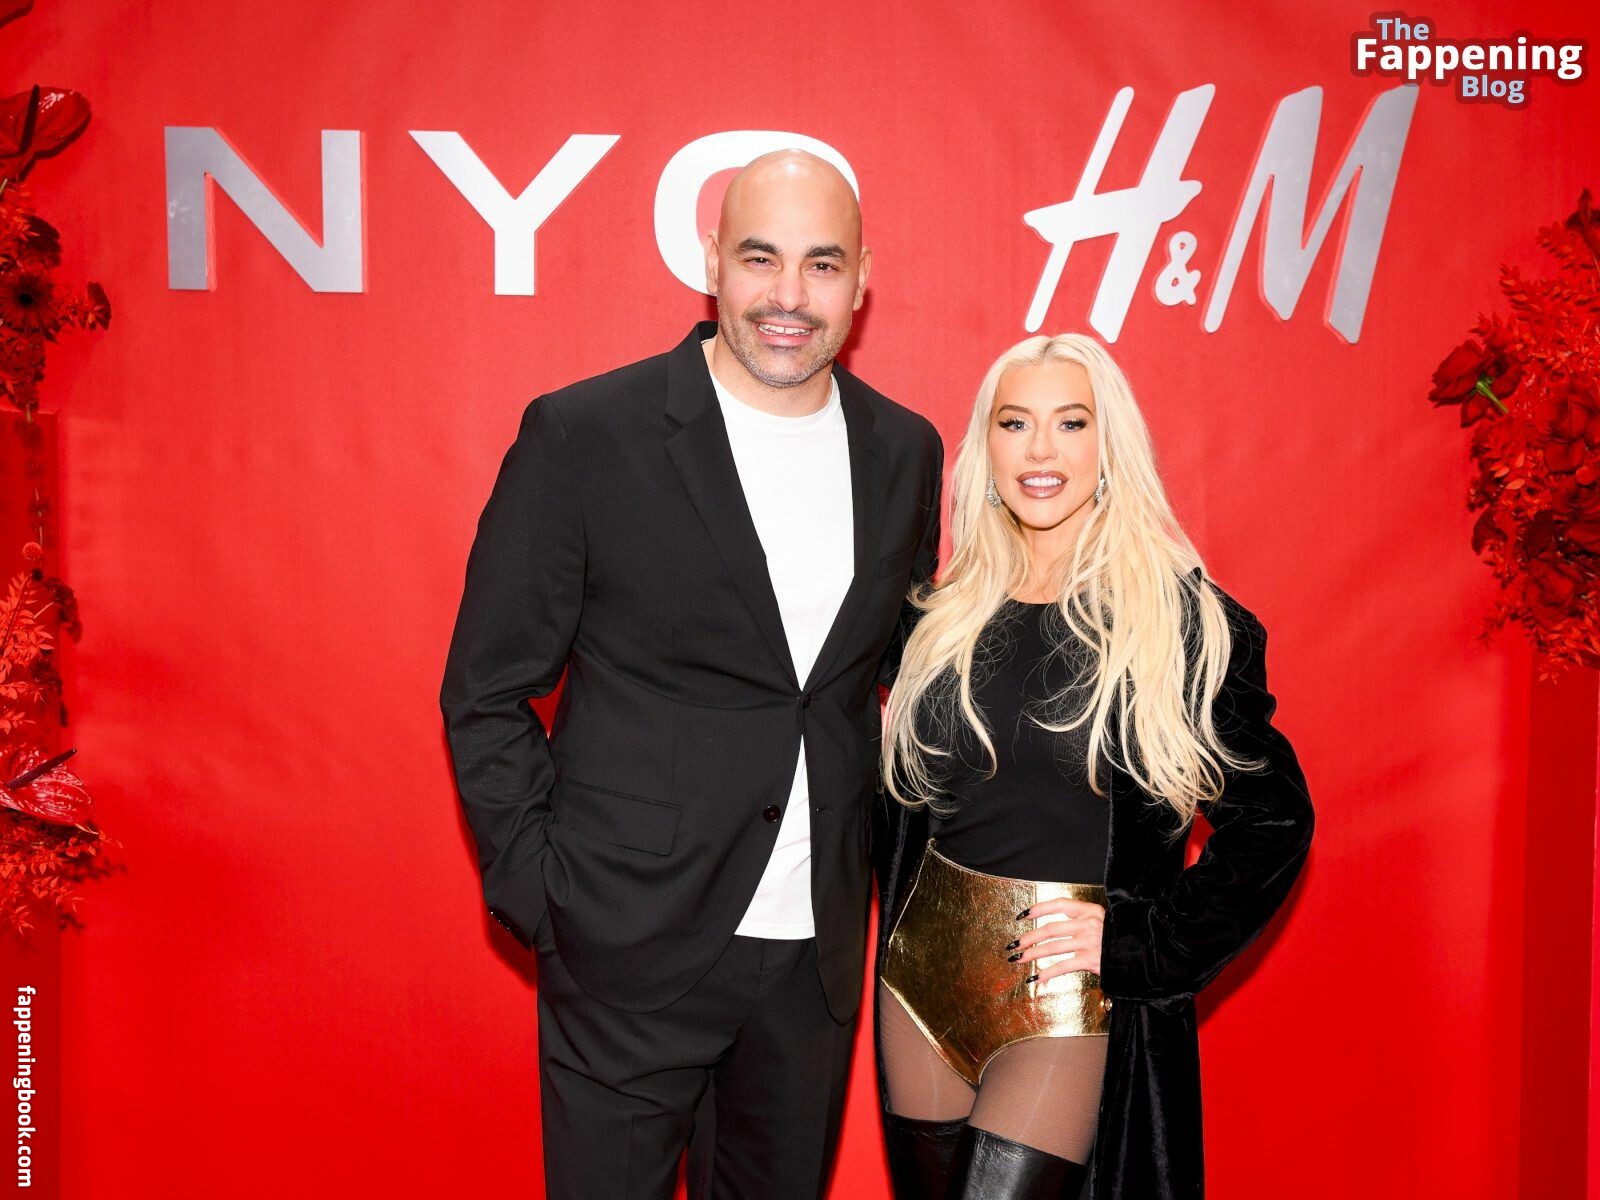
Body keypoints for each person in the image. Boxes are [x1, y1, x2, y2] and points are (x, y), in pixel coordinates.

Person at [438, 149, 943, 1200]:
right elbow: (485, 689)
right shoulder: (587, 434)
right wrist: (546, 897)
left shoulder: (904, 452)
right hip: (623, 946)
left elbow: (903, 668)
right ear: (711, 260)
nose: (789, 295)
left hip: (810, 960)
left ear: (861, 281)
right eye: (761, 258)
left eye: (821, 264)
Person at [871, 334, 1314, 1198]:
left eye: (1071, 423)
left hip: (1069, 992)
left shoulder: (1181, 626)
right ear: (986, 448)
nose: (1041, 449)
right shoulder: (934, 620)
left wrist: (1140, 942)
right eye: (1015, 423)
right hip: (918, 983)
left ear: (1110, 445)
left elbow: (1274, 821)